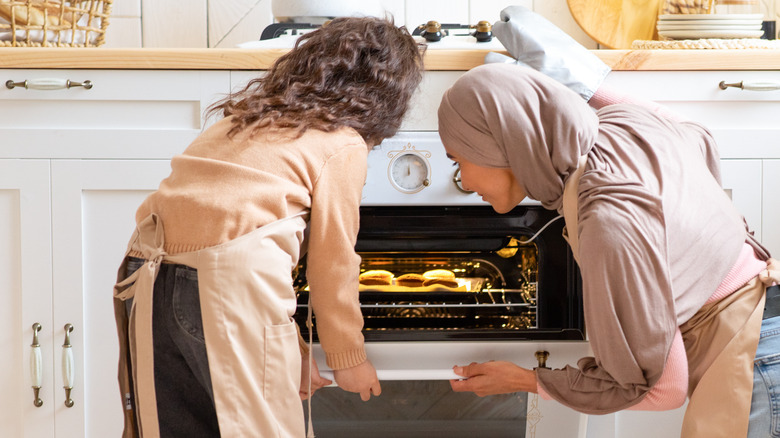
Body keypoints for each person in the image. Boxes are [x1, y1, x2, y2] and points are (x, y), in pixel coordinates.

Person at [438, 6, 780, 438]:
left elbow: (661, 388)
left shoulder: (607, 219)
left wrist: (526, 380)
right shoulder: (624, 126)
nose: (465, 181)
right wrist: (565, 85)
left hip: (755, 364)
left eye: (460, 159)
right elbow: (693, 130)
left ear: (504, 144)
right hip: (768, 319)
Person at [111, 16, 424, 437]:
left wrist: (289, 351)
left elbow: (238, 236)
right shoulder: (341, 142)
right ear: (387, 98)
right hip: (228, 282)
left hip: (145, 272)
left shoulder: (242, 121)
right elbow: (332, 264)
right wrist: (348, 358)